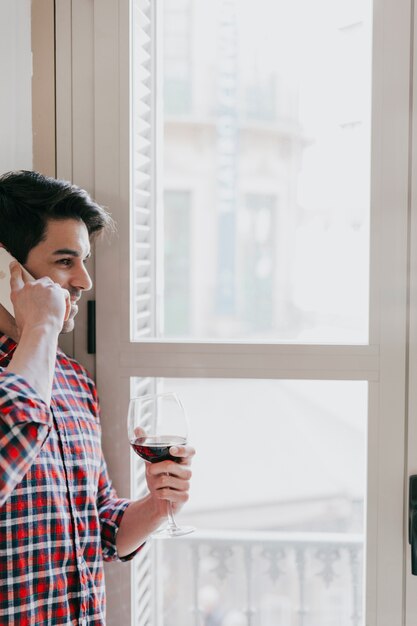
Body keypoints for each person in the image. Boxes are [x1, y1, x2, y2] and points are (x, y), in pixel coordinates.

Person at [0, 170, 195, 625]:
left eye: (84, 261)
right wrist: (42, 326)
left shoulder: (73, 381)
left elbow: (100, 530)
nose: (85, 280)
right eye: (65, 261)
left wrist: (156, 506)